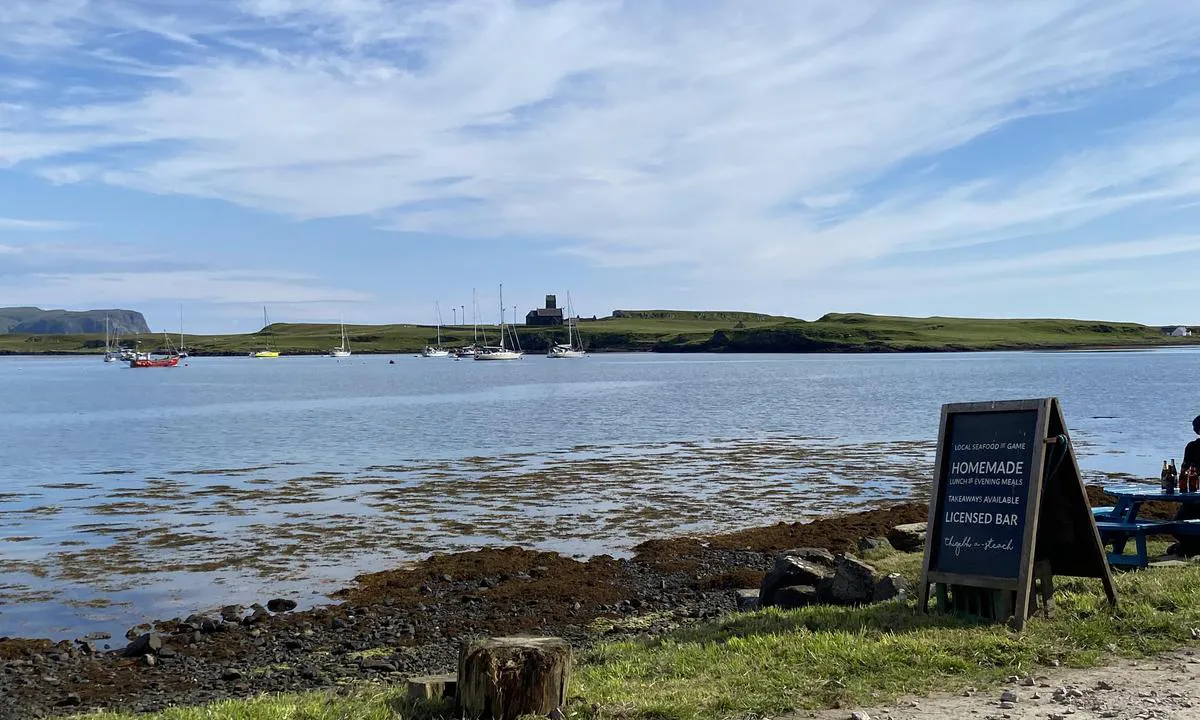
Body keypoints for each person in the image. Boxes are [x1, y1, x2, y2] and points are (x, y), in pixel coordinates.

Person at [1173, 415, 1200, 557]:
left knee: (1178, 522)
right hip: (1194, 500)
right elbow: (1185, 471)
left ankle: (1190, 545)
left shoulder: (1192, 447)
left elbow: (1184, 471)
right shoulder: (1192, 448)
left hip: (1193, 500)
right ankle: (1191, 545)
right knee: (1180, 521)